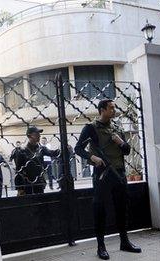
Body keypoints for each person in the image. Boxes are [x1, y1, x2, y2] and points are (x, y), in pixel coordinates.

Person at [75, 99, 141, 260]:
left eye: (114, 107)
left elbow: (126, 151)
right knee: (100, 209)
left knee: (122, 208)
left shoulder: (117, 127)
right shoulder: (90, 128)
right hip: (102, 174)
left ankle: (124, 242)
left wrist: (120, 142)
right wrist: (93, 157)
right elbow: (78, 149)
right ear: (102, 110)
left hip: (119, 173)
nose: (114, 110)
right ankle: (101, 246)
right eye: (111, 108)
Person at [14, 126, 60, 195]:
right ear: (29, 136)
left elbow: (53, 153)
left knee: (40, 203)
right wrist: (19, 188)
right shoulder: (22, 151)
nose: (39, 136)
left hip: (39, 182)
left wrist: (62, 149)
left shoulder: (41, 149)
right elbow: (18, 170)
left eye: (39, 134)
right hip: (27, 184)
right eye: (36, 134)